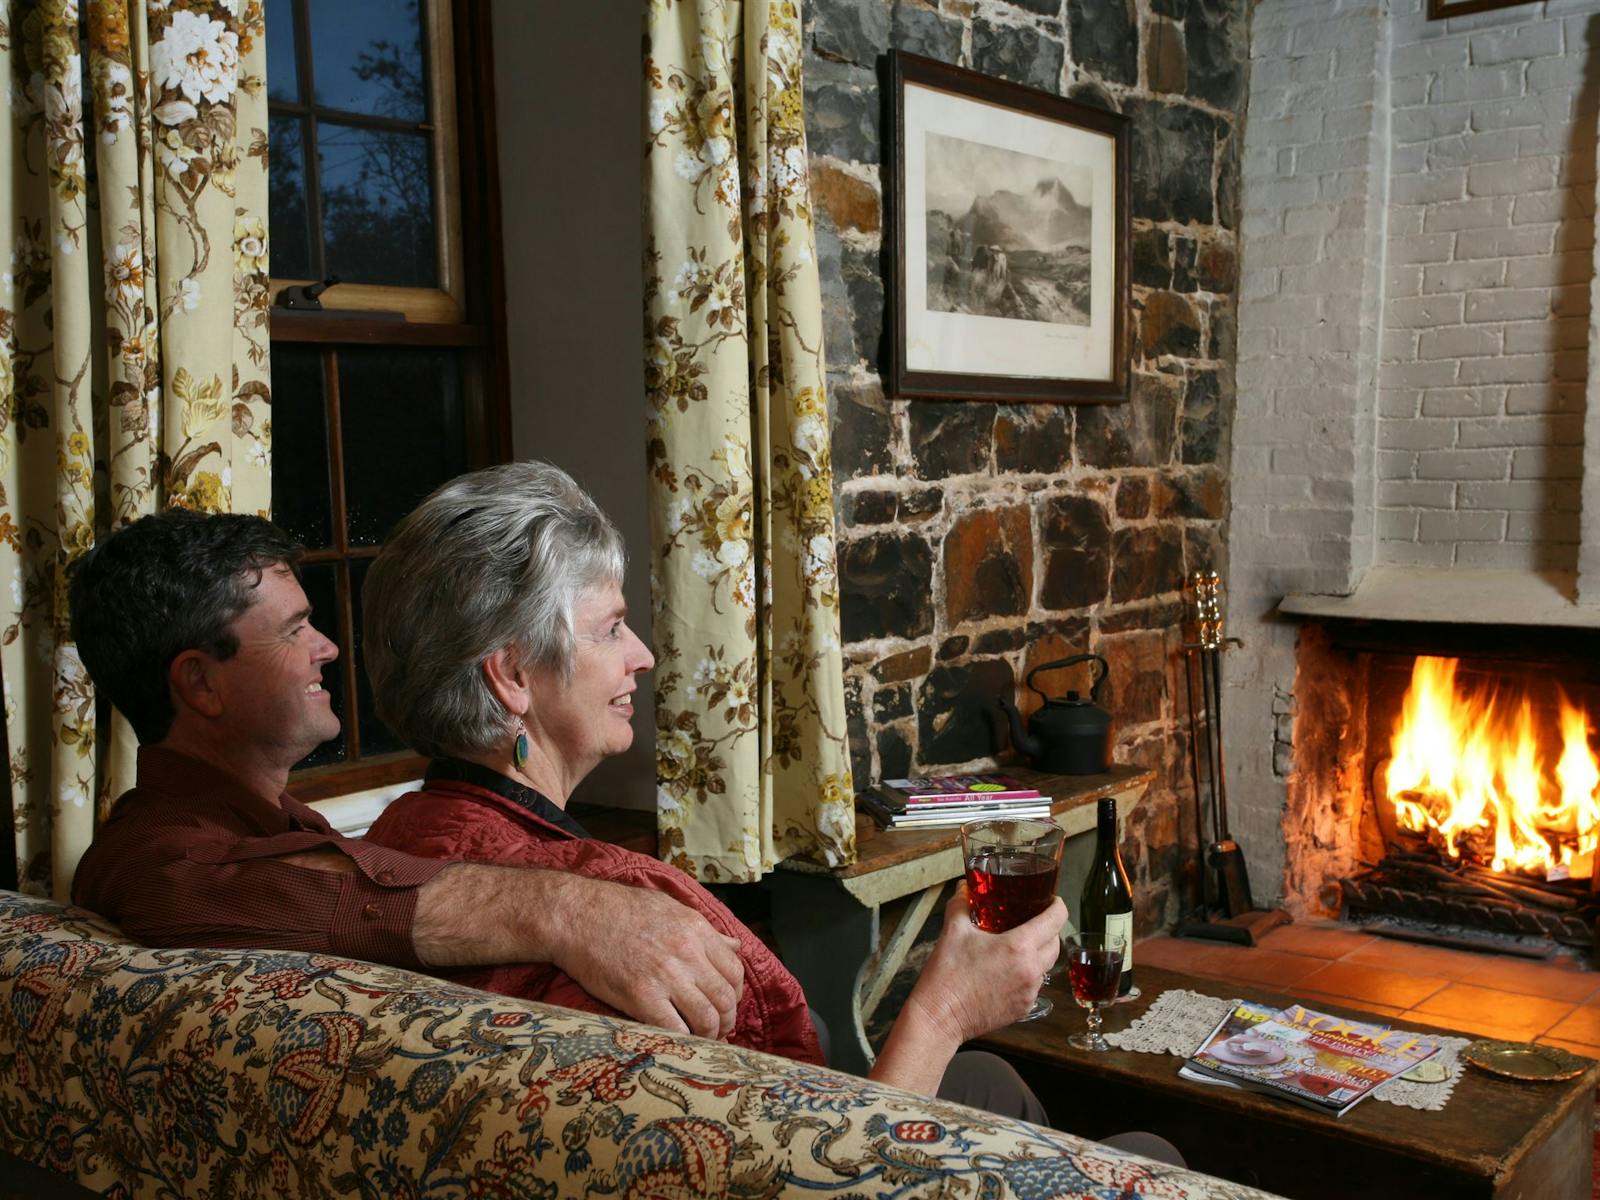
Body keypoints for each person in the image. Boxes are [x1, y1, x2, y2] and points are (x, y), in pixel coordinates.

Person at [358, 461, 1065, 1103]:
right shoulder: (625, 940)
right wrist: (946, 1010)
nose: (642, 656)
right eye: (611, 629)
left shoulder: (385, 856)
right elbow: (809, 1175)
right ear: (513, 676)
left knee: (989, 1080)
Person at [67, 509, 747, 1042]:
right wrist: (568, 908)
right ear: (200, 684)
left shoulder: (278, 822)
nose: (326, 648)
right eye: (295, 630)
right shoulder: (151, 855)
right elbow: (212, 888)